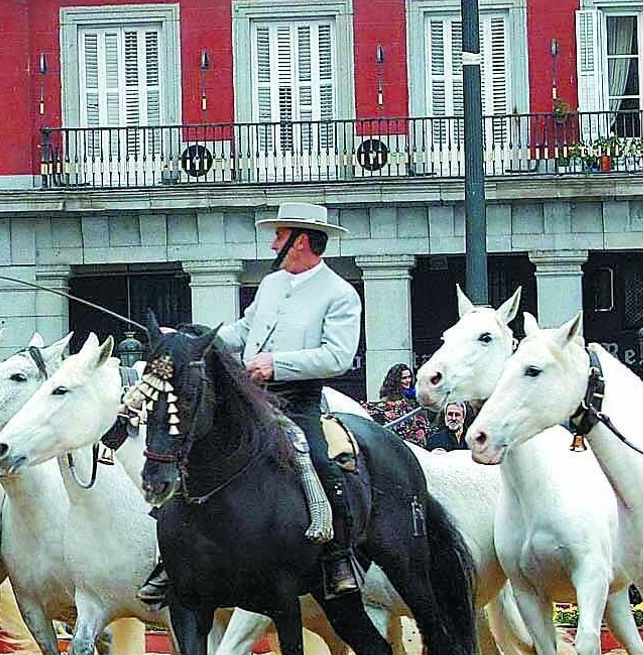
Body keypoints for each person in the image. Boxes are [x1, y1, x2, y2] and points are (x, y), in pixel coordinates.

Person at [139, 201, 363, 605]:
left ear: (301, 242)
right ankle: (171, 560)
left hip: (298, 400)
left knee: (318, 457)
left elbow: (338, 356)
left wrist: (278, 365)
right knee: (193, 452)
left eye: (281, 234)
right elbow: (244, 330)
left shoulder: (339, 293)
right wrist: (191, 342)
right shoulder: (273, 283)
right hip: (250, 397)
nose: (274, 240)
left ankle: (337, 557)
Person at [366, 362, 432, 446]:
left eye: (409, 377)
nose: (408, 380)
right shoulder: (389, 399)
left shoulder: (416, 396)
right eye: (404, 378)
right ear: (396, 380)